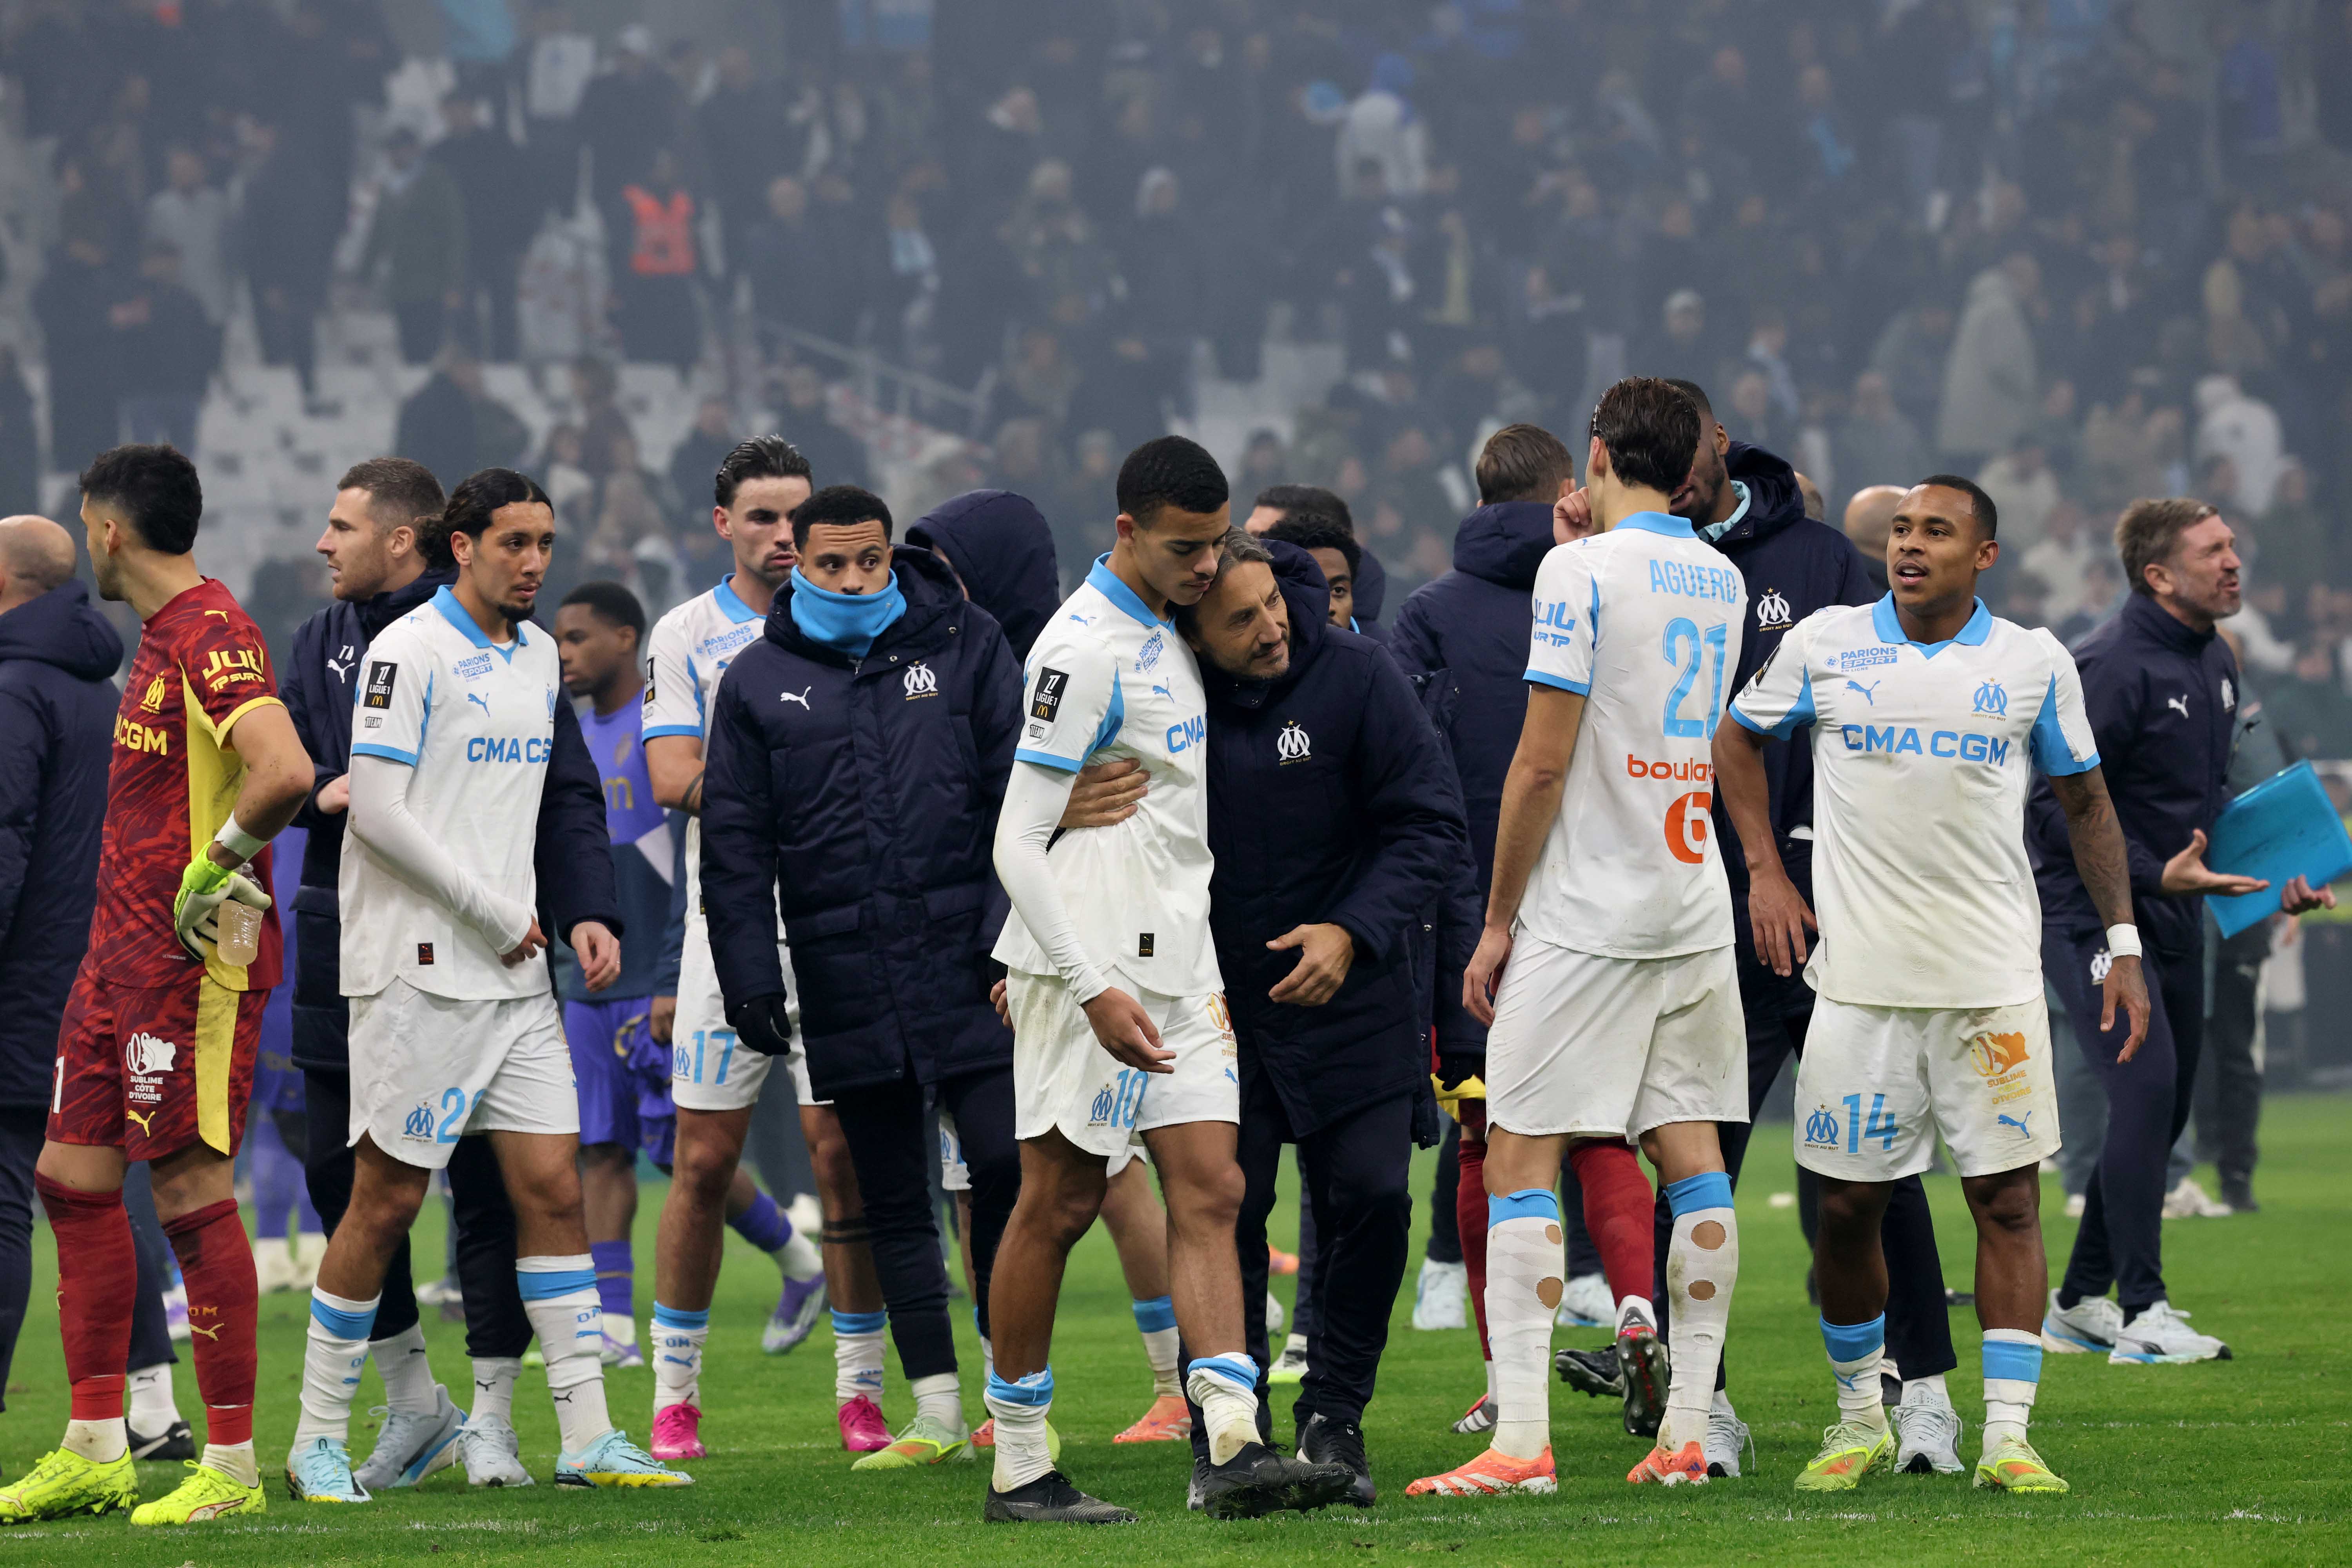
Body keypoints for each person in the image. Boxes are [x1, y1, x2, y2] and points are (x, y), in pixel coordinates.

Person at [1721, 475, 2151, 1495]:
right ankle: (1860, 1416)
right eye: (1904, 531)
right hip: (1862, 989)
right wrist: (1766, 871)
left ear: (1984, 555)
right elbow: (1737, 740)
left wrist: (2121, 940)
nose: (1912, 546)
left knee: (2006, 1204)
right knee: (1846, 1212)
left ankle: (2006, 1436)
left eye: (1938, 532)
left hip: (1990, 986)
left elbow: (2088, 805)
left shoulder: (2031, 662)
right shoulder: (1827, 643)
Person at [286, 468, 686, 1501]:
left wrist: (583, 910)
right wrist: (493, 910)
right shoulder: (406, 653)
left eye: (546, 542)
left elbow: (562, 803)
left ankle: (589, 1435)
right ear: (459, 547)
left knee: (551, 1190)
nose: (536, 562)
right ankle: (317, 1439)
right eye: (515, 543)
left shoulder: (535, 659)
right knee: (385, 1199)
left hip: (514, 983)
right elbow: (373, 807)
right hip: (417, 973)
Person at [983, 436, 1354, 1522]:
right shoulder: (1084, 646)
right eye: (1187, 549)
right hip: (1093, 976)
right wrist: (1089, 984)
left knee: (1216, 1191)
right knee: (1056, 1202)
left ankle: (1235, 1444)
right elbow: (1017, 841)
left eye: (1215, 544)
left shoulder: (1173, 634)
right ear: (1127, 534)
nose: (1207, 568)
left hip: (1180, 972)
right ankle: (1018, 1463)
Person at [1597, 382, 1960, 1475]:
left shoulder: (1811, 560)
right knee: (1695, 1169)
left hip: (1824, 920)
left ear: (1717, 446)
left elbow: (1872, 721)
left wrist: (1801, 874)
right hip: (1690, 921)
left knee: (1876, 1165)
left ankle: (1926, 1396)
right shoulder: (1614, 569)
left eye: (1696, 450)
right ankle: (1700, 1409)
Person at [1071, 531, 1468, 1504]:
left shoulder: (1359, 675)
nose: (1273, 627)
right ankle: (1228, 1429)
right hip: (1216, 1007)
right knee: (1224, 1213)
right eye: (1241, 619)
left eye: (1273, 606)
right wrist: (1064, 813)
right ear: (1192, 635)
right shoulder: (1156, 688)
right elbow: (1041, 806)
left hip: (1356, 1000)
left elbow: (1431, 822)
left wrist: (1352, 929)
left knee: (1373, 1196)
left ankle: (1336, 1415)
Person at [1412, 379, 1745, 1497]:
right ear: (1693, 464)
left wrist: (1499, 919)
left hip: (1589, 908)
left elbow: (1543, 761)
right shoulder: (1721, 572)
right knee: (1689, 1153)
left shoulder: (1578, 570)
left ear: (1597, 453)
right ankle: (1687, 1435)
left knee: (1518, 1151)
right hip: (1692, 898)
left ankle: (1520, 1443)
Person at [0, 445, 314, 1526]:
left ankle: (227, 1464)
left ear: (108, 532)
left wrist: (221, 859)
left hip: (189, 964)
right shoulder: (159, 638)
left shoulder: (214, 633)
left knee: (186, 1192)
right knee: (71, 1178)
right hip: (113, 957)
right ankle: (96, 1442)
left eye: (88, 521)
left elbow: (284, 770)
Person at [703, 484, 1024, 1473]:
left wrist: (1005, 938)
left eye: (869, 561)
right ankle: (933, 1410)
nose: (852, 580)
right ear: (797, 561)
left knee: (1008, 1171)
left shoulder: (969, 644)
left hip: (976, 966)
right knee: (891, 1198)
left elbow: (1021, 796)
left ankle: (1017, 1404)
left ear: (893, 556)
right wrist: (749, 972)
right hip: (845, 966)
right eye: (831, 564)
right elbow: (735, 843)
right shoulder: (756, 680)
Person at [2033, 499, 2332, 1367]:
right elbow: (2054, 814)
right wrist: (2154, 873)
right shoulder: (2109, 665)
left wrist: (2278, 874)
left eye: (2233, 545)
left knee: (2162, 1111)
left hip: (2173, 910)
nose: (2234, 561)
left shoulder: (2219, 658)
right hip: (2089, 912)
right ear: (2159, 575)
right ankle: (2145, 1312)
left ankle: (2080, 1301)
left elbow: (2200, 813)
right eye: (2213, 551)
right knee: (2145, 1088)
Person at [1387, 425, 1609, 1433]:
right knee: (1625, 1133)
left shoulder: (1429, 616)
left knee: (1485, 1141)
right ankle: (1657, 1335)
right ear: (1566, 488)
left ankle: (1502, 1374)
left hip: (1479, 918)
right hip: (1619, 900)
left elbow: (1411, 775)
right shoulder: (1615, 588)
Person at [642, 438, 858, 1462]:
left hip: (842, 921)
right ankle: (673, 1400)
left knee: (842, 1157)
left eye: (795, 517)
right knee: (702, 1162)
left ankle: (860, 1394)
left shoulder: (862, 616)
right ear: (722, 523)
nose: (783, 536)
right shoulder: (687, 633)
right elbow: (670, 774)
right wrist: (796, 787)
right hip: (727, 926)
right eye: (763, 518)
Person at [0, 516, 124, 1417]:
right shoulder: (101, 687)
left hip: (18, 981)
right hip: (86, 975)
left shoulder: (14, 691)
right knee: (91, 1194)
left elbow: (4, 840)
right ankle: (141, 1404)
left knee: (6, 1200)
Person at [551, 581, 679, 1370]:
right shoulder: (567, 735)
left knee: (684, 1156)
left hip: (660, 977)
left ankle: (795, 1257)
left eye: (578, 638)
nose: (563, 654)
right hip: (585, 979)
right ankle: (615, 1325)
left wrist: (675, 968)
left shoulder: (660, 727)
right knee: (599, 1147)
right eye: (558, 640)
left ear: (625, 638)